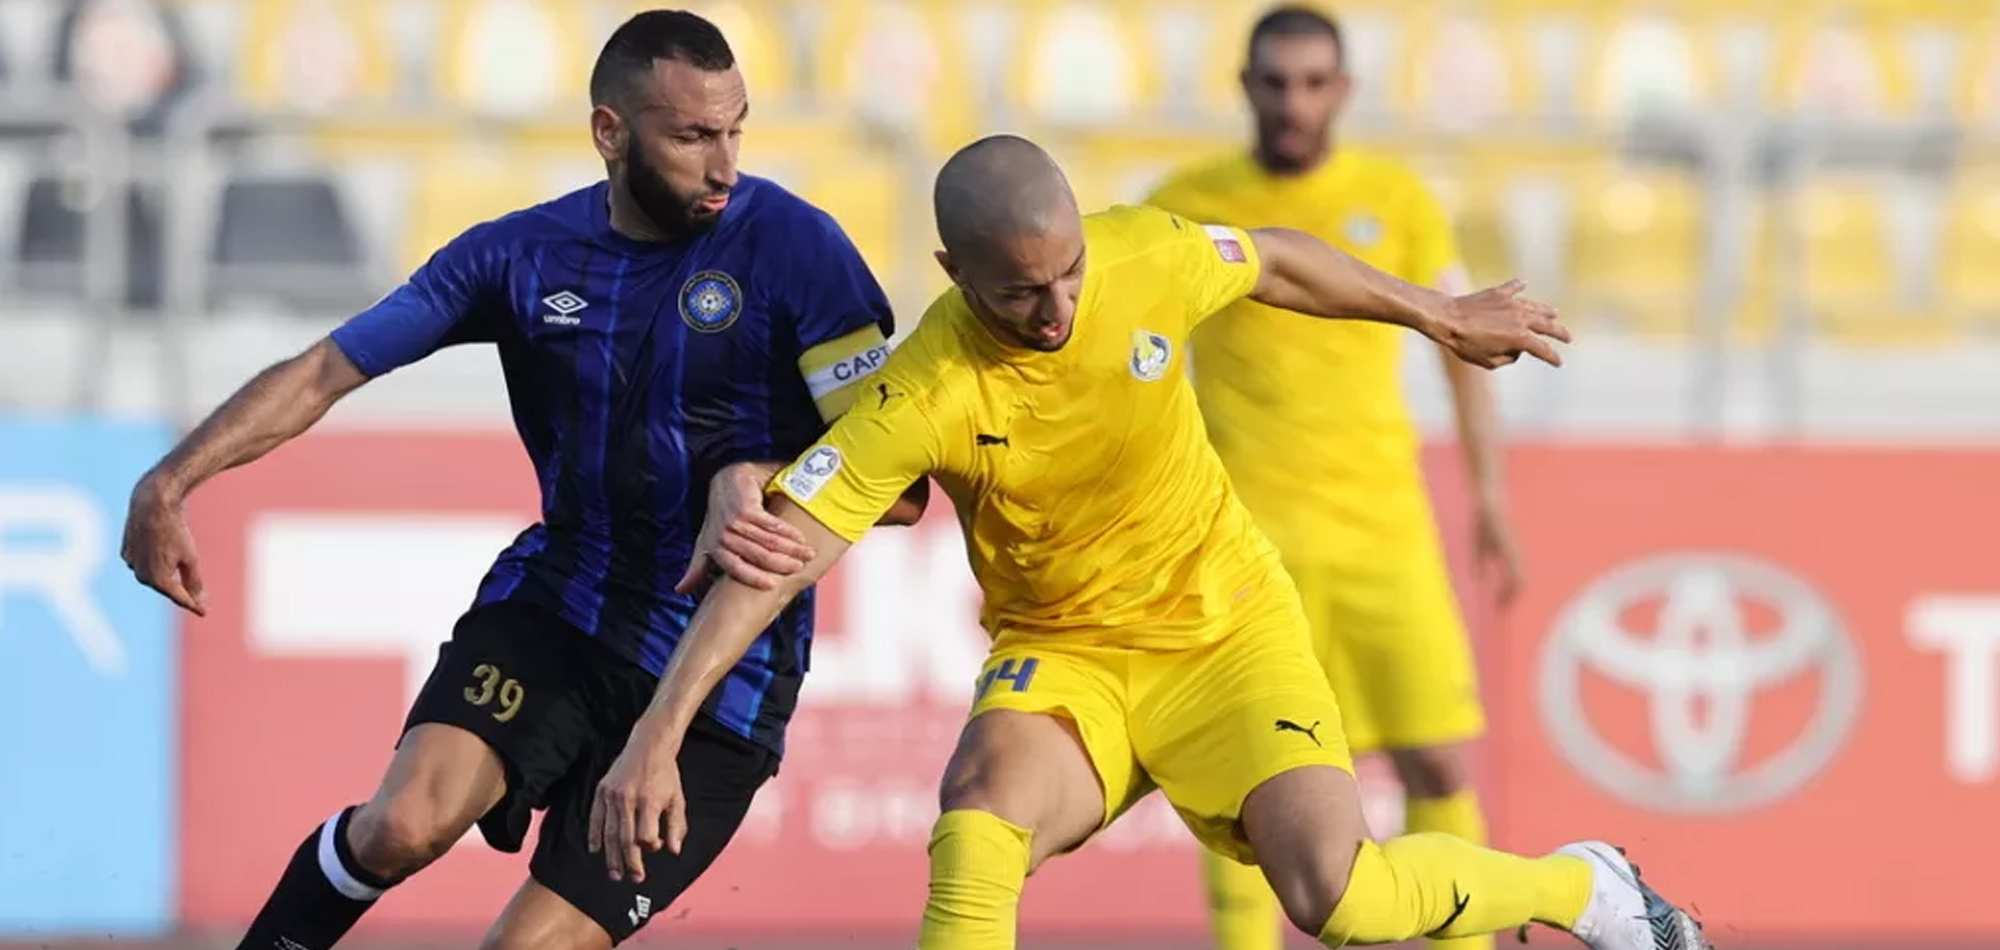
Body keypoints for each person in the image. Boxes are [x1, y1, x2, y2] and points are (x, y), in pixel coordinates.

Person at [586, 134, 1709, 950]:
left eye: (1068, 269)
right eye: (1022, 292)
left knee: (1342, 899)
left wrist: (1434, 310)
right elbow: (780, 550)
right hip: (1067, 652)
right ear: (953, 277)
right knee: (974, 820)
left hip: (1224, 629)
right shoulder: (922, 389)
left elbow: (1270, 257)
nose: (1061, 308)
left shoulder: (1141, 255)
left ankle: (1577, 888)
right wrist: (656, 733)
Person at [118, 11, 921, 950]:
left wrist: (758, 473)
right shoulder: (520, 257)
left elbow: (899, 490)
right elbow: (326, 369)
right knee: (401, 824)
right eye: (694, 136)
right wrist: (169, 480)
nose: (725, 165)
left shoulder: (799, 249)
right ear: (610, 133)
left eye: (736, 129)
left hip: (723, 682)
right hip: (560, 611)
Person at [1145, 9, 1521, 950]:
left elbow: (1463, 351)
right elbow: (1134, 356)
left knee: (1435, 762)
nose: (1294, 103)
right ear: (1244, 86)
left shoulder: (1397, 200)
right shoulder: (1188, 201)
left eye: (1314, 83)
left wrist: (1490, 500)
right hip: (1246, 547)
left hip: (1380, 534)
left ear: (1344, 91)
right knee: (1243, 781)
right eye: (1275, 83)